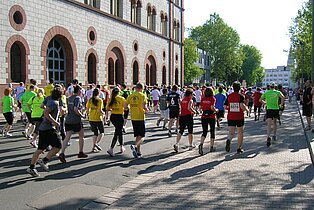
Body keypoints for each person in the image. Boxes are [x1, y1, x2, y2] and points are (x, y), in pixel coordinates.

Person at [26, 88, 63, 177]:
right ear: (60, 95)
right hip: (49, 128)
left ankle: (31, 167)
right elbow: (46, 112)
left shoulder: (49, 99)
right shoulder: (54, 103)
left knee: (40, 149)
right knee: (58, 146)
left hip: (43, 128)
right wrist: (54, 121)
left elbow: (42, 107)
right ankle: (44, 161)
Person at [58, 85, 88, 163]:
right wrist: (82, 115)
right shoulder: (77, 98)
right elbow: (76, 109)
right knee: (81, 136)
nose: (82, 92)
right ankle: (80, 152)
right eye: (81, 91)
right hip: (76, 120)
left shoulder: (70, 97)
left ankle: (62, 153)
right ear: (79, 91)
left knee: (67, 137)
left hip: (68, 119)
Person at [125, 83, 148, 158]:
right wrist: (146, 110)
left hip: (133, 117)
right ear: (141, 88)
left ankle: (138, 151)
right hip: (140, 117)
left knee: (138, 135)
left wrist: (128, 108)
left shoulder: (131, 95)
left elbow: (125, 105)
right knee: (142, 136)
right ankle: (134, 146)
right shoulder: (142, 95)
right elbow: (144, 106)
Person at [225, 81, 248, 154]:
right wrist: (246, 109)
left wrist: (230, 109)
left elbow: (225, 106)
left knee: (231, 133)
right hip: (239, 117)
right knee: (240, 132)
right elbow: (241, 106)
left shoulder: (229, 96)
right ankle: (239, 148)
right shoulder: (241, 96)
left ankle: (229, 140)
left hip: (231, 116)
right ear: (239, 88)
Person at [260, 82, 285, 146]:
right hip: (276, 108)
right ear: (275, 87)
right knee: (274, 122)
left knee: (269, 123)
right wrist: (281, 105)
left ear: (269, 87)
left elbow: (260, 100)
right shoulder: (277, 92)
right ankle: (274, 135)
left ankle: (268, 136)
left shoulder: (266, 92)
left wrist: (265, 103)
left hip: (269, 109)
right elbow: (283, 97)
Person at [173, 88, 196, 153]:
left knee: (181, 130)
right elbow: (189, 108)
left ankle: (177, 143)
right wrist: (194, 111)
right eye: (192, 94)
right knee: (190, 131)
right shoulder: (190, 100)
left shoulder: (183, 100)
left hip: (182, 116)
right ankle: (191, 145)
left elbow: (181, 107)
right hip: (188, 116)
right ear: (190, 94)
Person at [106, 87, 127, 156]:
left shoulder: (111, 99)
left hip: (113, 116)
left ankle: (121, 146)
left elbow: (107, 108)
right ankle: (111, 148)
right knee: (117, 132)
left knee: (119, 131)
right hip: (119, 116)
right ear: (119, 92)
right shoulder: (121, 99)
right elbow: (126, 107)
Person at [198, 87, 218, 155]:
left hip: (204, 116)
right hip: (211, 116)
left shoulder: (203, 99)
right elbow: (212, 107)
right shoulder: (213, 99)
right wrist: (216, 110)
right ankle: (211, 147)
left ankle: (201, 144)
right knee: (212, 131)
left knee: (204, 131)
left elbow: (200, 107)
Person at [86, 88, 105, 153]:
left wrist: (87, 115)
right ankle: (96, 143)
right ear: (98, 93)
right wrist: (104, 113)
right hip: (98, 118)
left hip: (91, 118)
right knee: (102, 132)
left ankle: (93, 147)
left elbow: (87, 109)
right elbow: (100, 110)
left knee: (95, 133)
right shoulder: (100, 100)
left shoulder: (90, 100)